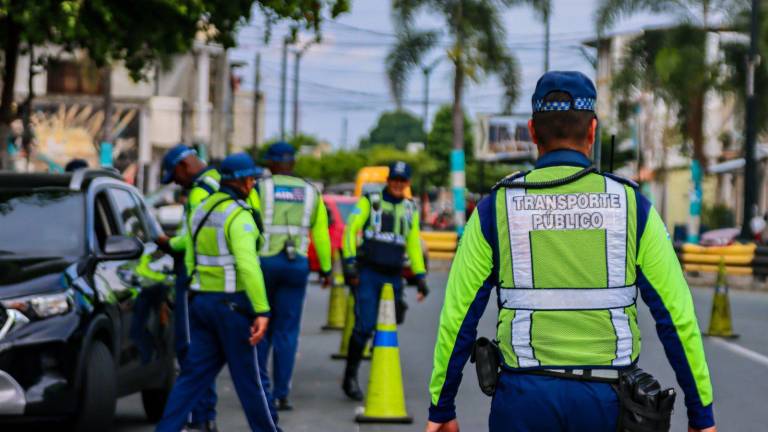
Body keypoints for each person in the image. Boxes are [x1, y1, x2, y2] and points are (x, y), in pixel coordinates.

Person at [426, 71, 715, 432]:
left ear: (532, 132)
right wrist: (701, 413)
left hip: (523, 401)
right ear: (592, 131)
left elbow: (458, 315)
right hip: (610, 403)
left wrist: (442, 407)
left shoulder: (495, 208)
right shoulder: (632, 207)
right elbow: (677, 316)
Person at [156, 153, 276, 432]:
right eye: (252, 180)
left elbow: (186, 248)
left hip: (201, 304)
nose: (254, 184)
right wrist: (261, 310)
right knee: (251, 382)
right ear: (245, 182)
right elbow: (248, 266)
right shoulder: (238, 215)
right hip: (232, 307)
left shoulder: (201, 209)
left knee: (191, 379)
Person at [341, 161, 428, 400]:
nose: (398, 184)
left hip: (394, 275)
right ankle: (350, 377)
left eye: (403, 181)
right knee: (364, 326)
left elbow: (413, 243)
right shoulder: (371, 201)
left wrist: (420, 277)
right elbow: (350, 230)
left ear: (408, 183)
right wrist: (349, 264)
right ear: (388, 180)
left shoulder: (410, 208)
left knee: (392, 321)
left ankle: (380, 374)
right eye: (395, 180)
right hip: (369, 273)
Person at [256, 141, 332, 411]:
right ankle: (281, 393)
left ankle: (260, 389)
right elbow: (320, 234)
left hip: (263, 265)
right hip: (295, 266)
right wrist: (326, 268)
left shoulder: (260, 188)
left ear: (271, 163)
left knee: (261, 327)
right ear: (293, 163)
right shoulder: (311, 193)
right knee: (287, 332)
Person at [156, 144, 222, 431]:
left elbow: (190, 238)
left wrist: (166, 242)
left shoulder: (199, 191)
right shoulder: (218, 181)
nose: (177, 183)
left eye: (175, 176)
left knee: (189, 349)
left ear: (184, 166)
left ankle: (199, 416)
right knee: (204, 349)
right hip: (217, 278)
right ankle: (204, 416)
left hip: (194, 275)